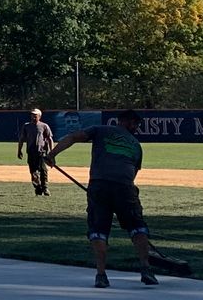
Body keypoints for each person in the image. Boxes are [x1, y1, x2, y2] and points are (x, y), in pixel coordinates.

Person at [48, 108, 157, 288]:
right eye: (136, 124)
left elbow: (72, 137)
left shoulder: (100, 130)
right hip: (125, 188)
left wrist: (52, 155)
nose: (137, 128)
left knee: (99, 230)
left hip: (99, 185)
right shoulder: (136, 145)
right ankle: (146, 268)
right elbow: (132, 175)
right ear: (128, 122)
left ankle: (101, 274)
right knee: (137, 227)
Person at [16, 107, 53, 195]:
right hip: (31, 152)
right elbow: (21, 139)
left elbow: (49, 139)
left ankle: (45, 188)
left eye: (35, 115)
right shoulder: (26, 126)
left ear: (39, 116)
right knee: (33, 171)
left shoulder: (44, 126)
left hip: (41, 152)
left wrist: (51, 152)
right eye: (32, 115)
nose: (33, 117)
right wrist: (19, 150)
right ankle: (38, 187)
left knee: (43, 170)